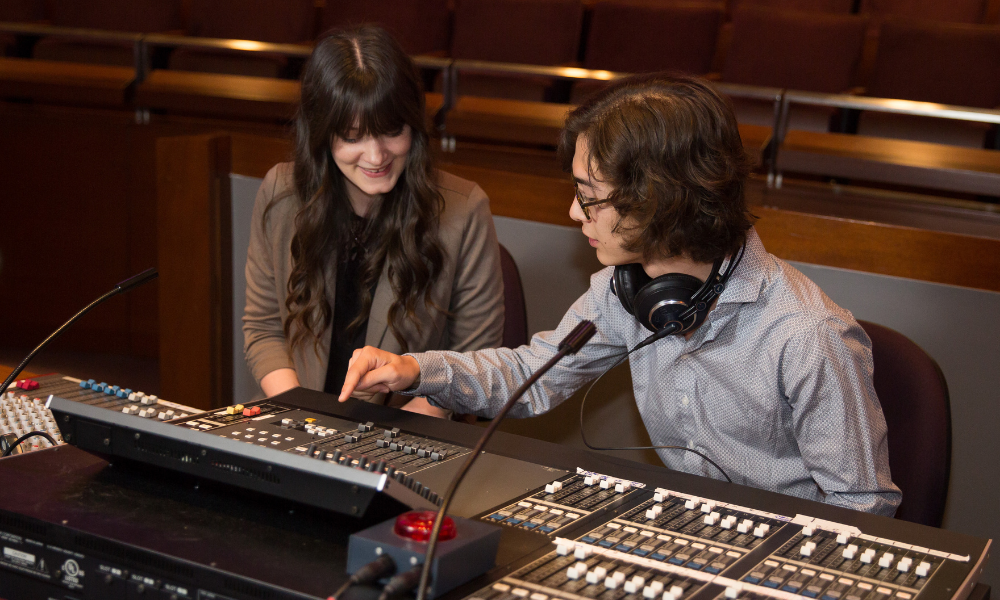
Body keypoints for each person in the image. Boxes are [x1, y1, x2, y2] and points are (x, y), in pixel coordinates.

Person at [338, 73, 901, 515]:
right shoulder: (625, 290)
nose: (572, 212)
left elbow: (862, 506)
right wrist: (415, 369)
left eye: (589, 196)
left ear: (662, 200)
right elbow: (533, 375)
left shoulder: (806, 335)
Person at [243, 26, 504, 411]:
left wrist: (386, 447)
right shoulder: (280, 193)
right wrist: (304, 420)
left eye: (391, 131)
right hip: (297, 413)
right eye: (352, 137)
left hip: (408, 433)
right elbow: (263, 330)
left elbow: (474, 365)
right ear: (320, 134)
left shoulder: (465, 211)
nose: (376, 155)